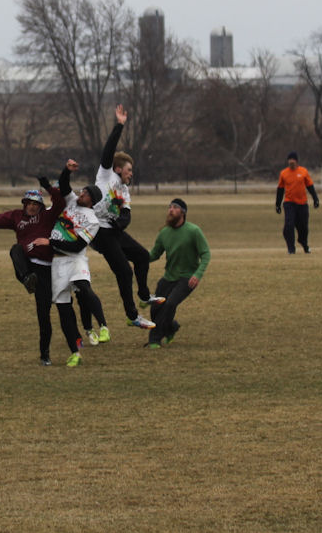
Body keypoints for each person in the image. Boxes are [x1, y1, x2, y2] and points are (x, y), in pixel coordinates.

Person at [0, 181, 87, 366]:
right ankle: (44, 354)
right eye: (29, 203)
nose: (32, 207)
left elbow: (59, 203)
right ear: (24, 204)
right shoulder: (16, 216)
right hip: (32, 269)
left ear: (41, 206)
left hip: (51, 269)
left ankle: (71, 346)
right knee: (16, 250)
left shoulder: (47, 216)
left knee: (59, 310)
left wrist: (50, 188)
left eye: (36, 204)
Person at [86, 105, 158, 331]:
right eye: (129, 170)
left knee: (143, 256)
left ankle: (144, 296)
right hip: (99, 231)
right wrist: (119, 125)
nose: (131, 174)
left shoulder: (124, 190)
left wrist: (120, 223)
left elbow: (126, 215)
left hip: (113, 231)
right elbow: (108, 150)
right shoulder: (105, 174)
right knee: (124, 272)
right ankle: (132, 316)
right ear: (117, 169)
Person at [33, 171, 109, 367]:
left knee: (83, 287)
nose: (81, 194)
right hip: (58, 264)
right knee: (63, 308)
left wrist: (50, 242)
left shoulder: (92, 221)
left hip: (76, 259)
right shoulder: (72, 202)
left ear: (92, 200)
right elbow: (64, 185)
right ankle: (75, 353)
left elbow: (76, 246)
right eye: (82, 191)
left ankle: (103, 326)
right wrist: (67, 170)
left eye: (86, 193)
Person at [145, 198, 211, 348]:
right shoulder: (164, 232)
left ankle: (154, 339)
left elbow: (206, 254)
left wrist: (197, 274)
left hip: (187, 278)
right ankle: (171, 328)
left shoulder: (193, 231)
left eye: (175, 207)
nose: (171, 210)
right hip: (169, 277)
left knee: (170, 304)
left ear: (183, 212)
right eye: (169, 207)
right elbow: (154, 254)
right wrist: (138, 258)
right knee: (155, 307)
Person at [274, 151, 320, 253]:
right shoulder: (283, 173)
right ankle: (291, 248)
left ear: (296, 161)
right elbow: (280, 189)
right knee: (289, 225)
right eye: (289, 160)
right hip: (289, 203)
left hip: (302, 204)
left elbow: (310, 186)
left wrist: (315, 199)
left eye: (293, 160)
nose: (291, 162)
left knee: (303, 227)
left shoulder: (303, 171)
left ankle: (303, 243)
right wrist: (278, 204)